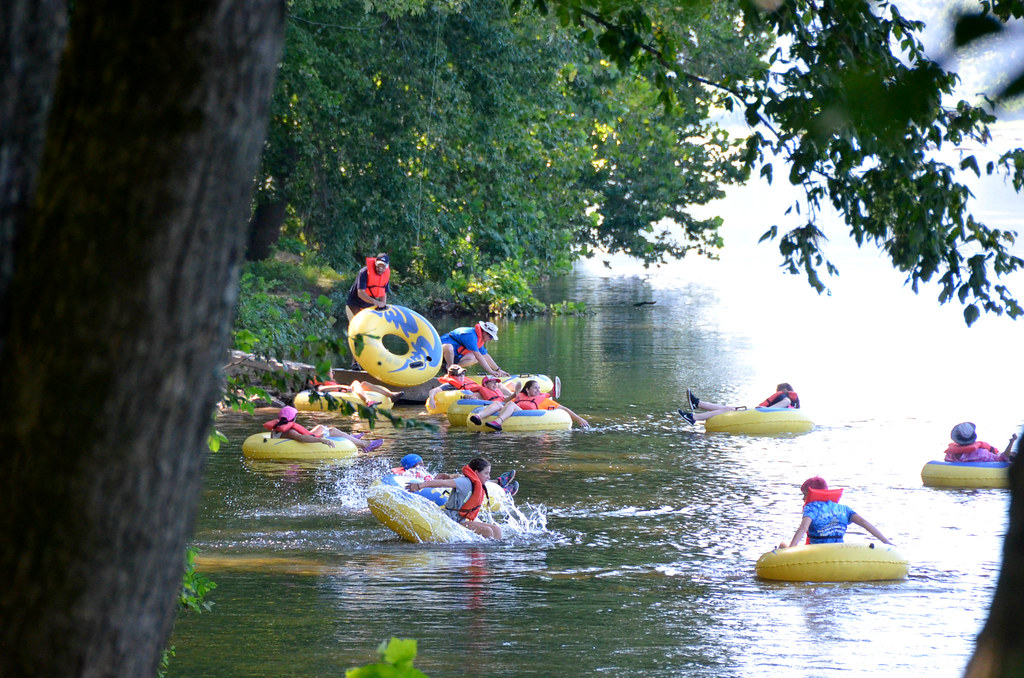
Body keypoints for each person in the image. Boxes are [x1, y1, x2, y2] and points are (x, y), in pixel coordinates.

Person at [778, 476, 893, 549]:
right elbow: (864, 523)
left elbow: (803, 528)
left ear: (812, 493)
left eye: (804, 495)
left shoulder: (811, 507)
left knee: (783, 544)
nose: (803, 499)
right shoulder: (843, 509)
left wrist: (790, 550)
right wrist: (887, 542)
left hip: (816, 553)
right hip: (838, 550)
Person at [405, 458, 504, 538]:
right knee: (487, 531)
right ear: (477, 473)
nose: (489, 477)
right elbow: (442, 483)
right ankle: (474, 556)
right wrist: (419, 486)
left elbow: (457, 476)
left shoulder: (474, 482)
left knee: (497, 529)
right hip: (452, 520)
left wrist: (448, 475)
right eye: (486, 473)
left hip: (462, 520)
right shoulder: (464, 482)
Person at [469, 378, 589, 431]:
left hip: (524, 415)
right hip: (513, 410)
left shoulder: (544, 400)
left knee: (510, 405)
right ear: (527, 390)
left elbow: (564, 409)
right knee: (497, 403)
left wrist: (578, 419)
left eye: (539, 388)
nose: (538, 390)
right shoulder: (520, 396)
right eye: (535, 388)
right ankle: (478, 417)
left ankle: (499, 422)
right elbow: (503, 402)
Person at [263, 406, 383, 451]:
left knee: (320, 427)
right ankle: (365, 445)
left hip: (291, 441)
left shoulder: (278, 428)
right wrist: (322, 440)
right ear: (293, 419)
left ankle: (351, 438)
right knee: (333, 431)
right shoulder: (289, 431)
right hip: (299, 445)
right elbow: (301, 438)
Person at [677, 383, 800, 425]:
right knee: (727, 408)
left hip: (760, 415)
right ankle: (697, 403)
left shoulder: (786, 400)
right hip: (760, 414)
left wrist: (764, 409)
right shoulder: (791, 404)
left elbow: (785, 402)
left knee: (727, 410)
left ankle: (694, 417)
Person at [394, 453, 518, 495]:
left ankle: (499, 485)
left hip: (436, 486)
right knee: (464, 479)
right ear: (412, 466)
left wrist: (446, 476)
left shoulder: (417, 472)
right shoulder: (411, 474)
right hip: (436, 490)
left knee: (457, 476)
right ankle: (500, 487)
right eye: (420, 464)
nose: (423, 466)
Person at [440, 321, 509, 378]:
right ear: (485, 332)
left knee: (474, 358)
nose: (490, 340)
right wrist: (491, 372)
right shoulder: (470, 335)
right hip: (439, 352)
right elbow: (478, 356)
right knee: (449, 347)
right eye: (490, 337)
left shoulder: (479, 339)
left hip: (454, 355)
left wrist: (498, 370)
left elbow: (485, 356)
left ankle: (450, 368)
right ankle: (451, 370)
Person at [308, 372, 404, 407]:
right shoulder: (323, 382)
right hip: (340, 394)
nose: (333, 373)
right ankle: (368, 401)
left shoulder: (333, 381)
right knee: (355, 382)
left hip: (347, 392)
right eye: (331, 371)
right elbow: (321, 389)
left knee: (364, 384)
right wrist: (340, 387)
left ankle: (390, 395)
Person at [345, 253, 391, 321]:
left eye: (383, 267)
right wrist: (376, 302)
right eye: (378, 266)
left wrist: (383, 304)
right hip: (355, 303)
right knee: (359, 325)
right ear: (375, 263)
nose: (380, 269)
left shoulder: (385, 276)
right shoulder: (364, 272)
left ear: (387, 267)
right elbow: (361, 293)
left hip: (369, 304)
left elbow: (383, 292)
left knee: (372, 325)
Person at [944, 422, 1017, 462]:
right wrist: (1011, 442)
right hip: (994, 456)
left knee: (1012, 455)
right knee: (1013, 456)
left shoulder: (950, 455)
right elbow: (1002, 459)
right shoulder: (981, 454)